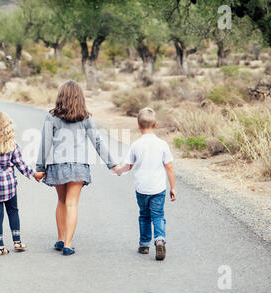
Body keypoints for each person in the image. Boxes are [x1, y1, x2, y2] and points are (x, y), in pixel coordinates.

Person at [36, 80, 118, 256]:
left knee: (61, 201)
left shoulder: (51, 117)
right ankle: (68, 243)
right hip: (78, 166)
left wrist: (40, 167)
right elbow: (97, 141)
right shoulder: (85, 118)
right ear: (80, 98)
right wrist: (112, 163)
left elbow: (45, 143)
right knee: (72, 203)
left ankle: (60, 238)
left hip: (57, 165)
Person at [114, 107, 176, 261]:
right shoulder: (162, 144)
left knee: (144, 215)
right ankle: (160, 239)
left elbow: (128, 165)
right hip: (158, 188)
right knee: (158, 215)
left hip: (142, 188)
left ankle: (144, 245)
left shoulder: (136, 145)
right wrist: (173, 187)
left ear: (138, 126)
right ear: (155, 125)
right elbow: (169, 167)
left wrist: (118, 170)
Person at [0, 112, 45, 256]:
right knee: (13, 211)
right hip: (9, 185)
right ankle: (17, 242)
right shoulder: (12, 146)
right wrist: (34, 174)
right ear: (8, 128)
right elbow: (21, 165)